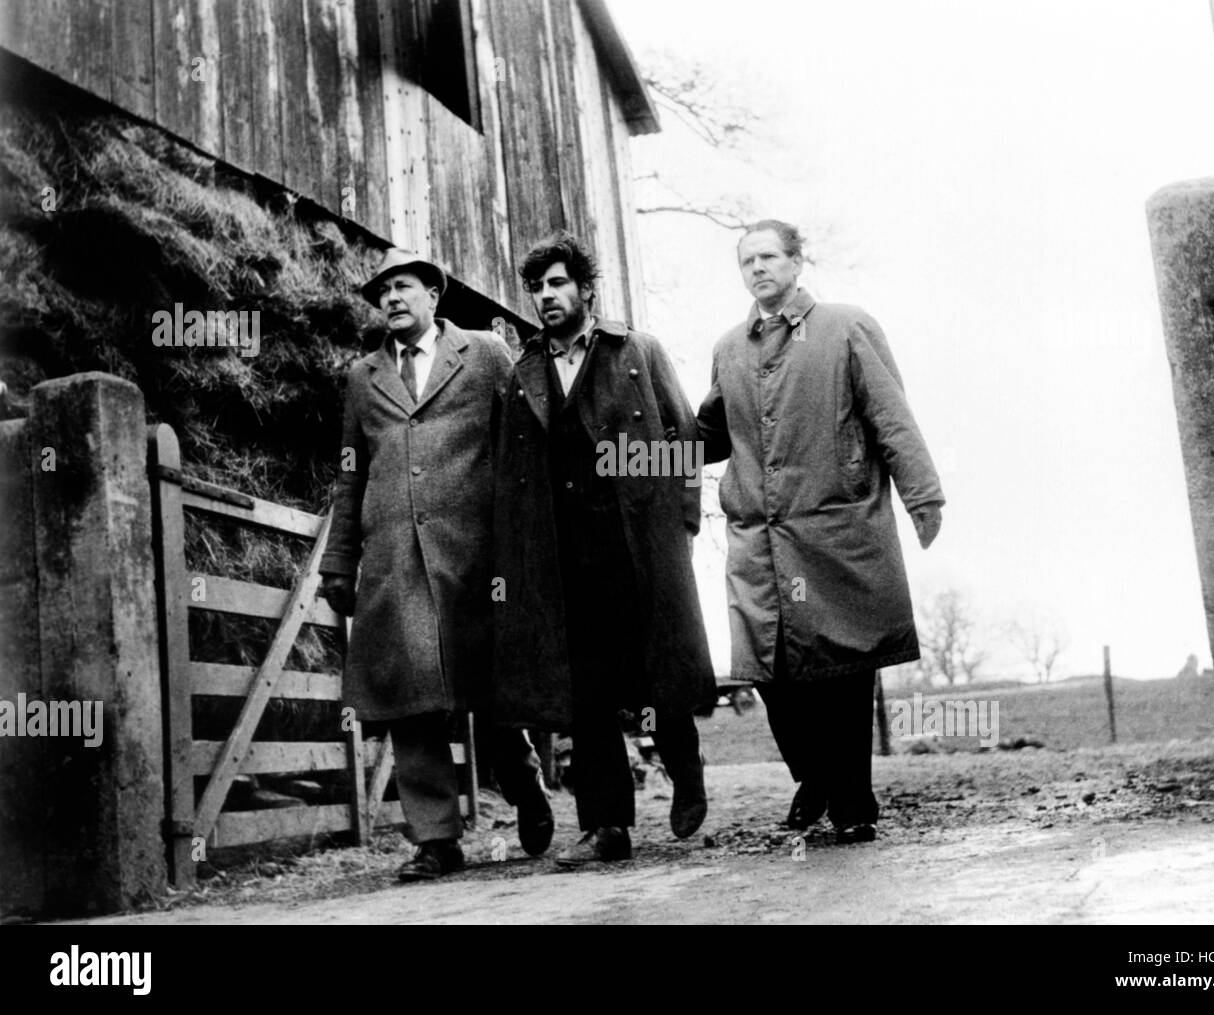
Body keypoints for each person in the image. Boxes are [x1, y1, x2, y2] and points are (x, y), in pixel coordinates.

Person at [697, 219, 944, 843]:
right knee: (768, 668)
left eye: (770, 256)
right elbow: (710, 438)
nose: (758, 269)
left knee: (843, 668)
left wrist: (923, 495)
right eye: (747, 260)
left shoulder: (847, 328)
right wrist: (629, 454)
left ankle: (853, 802)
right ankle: (814, 774)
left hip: (835, 526)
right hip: (758, 534)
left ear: (798, 262)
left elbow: (891, 417)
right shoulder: (730, 348)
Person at [320, 248, 553, 880]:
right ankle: (436, 839)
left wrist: (526, 544)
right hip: (395, 561)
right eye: (383, 291)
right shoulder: (361, 376)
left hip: (478, 556)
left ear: (433, 295)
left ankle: (523, 781)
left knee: (489, 688)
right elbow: (350, 472)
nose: (392, 298)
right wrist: (340, 560)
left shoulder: (485, 354)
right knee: (410, 700)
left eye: (404, 287)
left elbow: (523, 449)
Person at [492, 231, 715, 867]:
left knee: (653, 668)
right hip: (564, 557)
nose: (546, 296)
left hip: (635, 541)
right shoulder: (524, 374)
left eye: (558, 283)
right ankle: (607, 825)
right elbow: (513, 473)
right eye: (537, 287)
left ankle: (685, 765)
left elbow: (683, 437)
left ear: (586, 289)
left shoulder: (636, 351)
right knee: (584, 690)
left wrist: (682, 525)